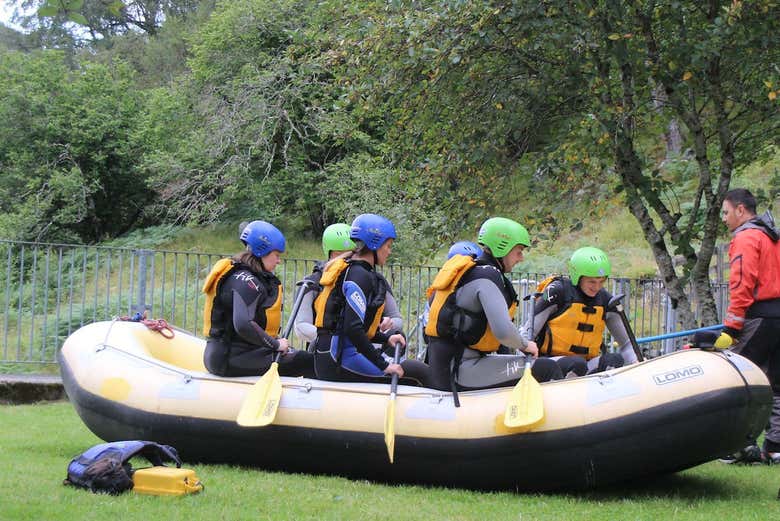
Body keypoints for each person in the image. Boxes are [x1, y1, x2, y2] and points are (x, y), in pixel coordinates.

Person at [425, 217, 562, 399]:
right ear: (502, 247)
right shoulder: (488, 277)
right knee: (547, 368)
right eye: (519, 251)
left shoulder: (474, 271)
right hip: (460, 370)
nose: (521, 258)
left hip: (452, 365)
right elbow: (503, 332)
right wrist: (525, 345)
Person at [313, 213, 429, 385]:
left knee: (415, 369)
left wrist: (386, 338)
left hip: (336, 353)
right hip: (339, 359)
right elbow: (353, 329)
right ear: (375, 244)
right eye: (388, 246)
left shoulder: (356, 271)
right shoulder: (359, 276)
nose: (389, 251)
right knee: (417, 375)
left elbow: (348, 323)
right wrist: (384, 366)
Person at [202, 220, 315, 378]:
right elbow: (243, 325)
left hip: (239, 353)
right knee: (305, 360)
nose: (278, 260)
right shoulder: (246, 282)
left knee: (294, 355)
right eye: (276, 255)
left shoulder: (242, 275)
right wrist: (275, 344)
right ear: (262, 251)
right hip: (229, 358)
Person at [718, 188, 780, 464]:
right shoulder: (773, 236)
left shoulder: (746, 238)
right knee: (776, 384)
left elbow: (742, 284)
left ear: (741, 210)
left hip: (758, 318)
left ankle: (739, 446)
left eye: (726, 211)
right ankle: (775, 447)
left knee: (738, 381)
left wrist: (731, 327)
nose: (724, 218)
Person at [520, 247, 638, 378]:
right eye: (592, 281)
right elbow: (527, 333)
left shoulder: (606, 300)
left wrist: (636, 361)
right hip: (549, 362)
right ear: (578, 277)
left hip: (584, 365)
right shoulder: (558, 292)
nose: (597, 287)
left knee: (614, 360)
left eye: (602, 281)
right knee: (577, 364)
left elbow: (627, 344)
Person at [294, 223, 404, 358]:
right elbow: (301, 327)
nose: (347, 259)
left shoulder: (372, 279)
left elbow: (397, 318)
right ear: (331, 254)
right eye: (340, 255)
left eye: (351, 254)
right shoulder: (312, 282)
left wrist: (389, 324)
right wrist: (334, 337)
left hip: (367, 348)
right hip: (327, 351)